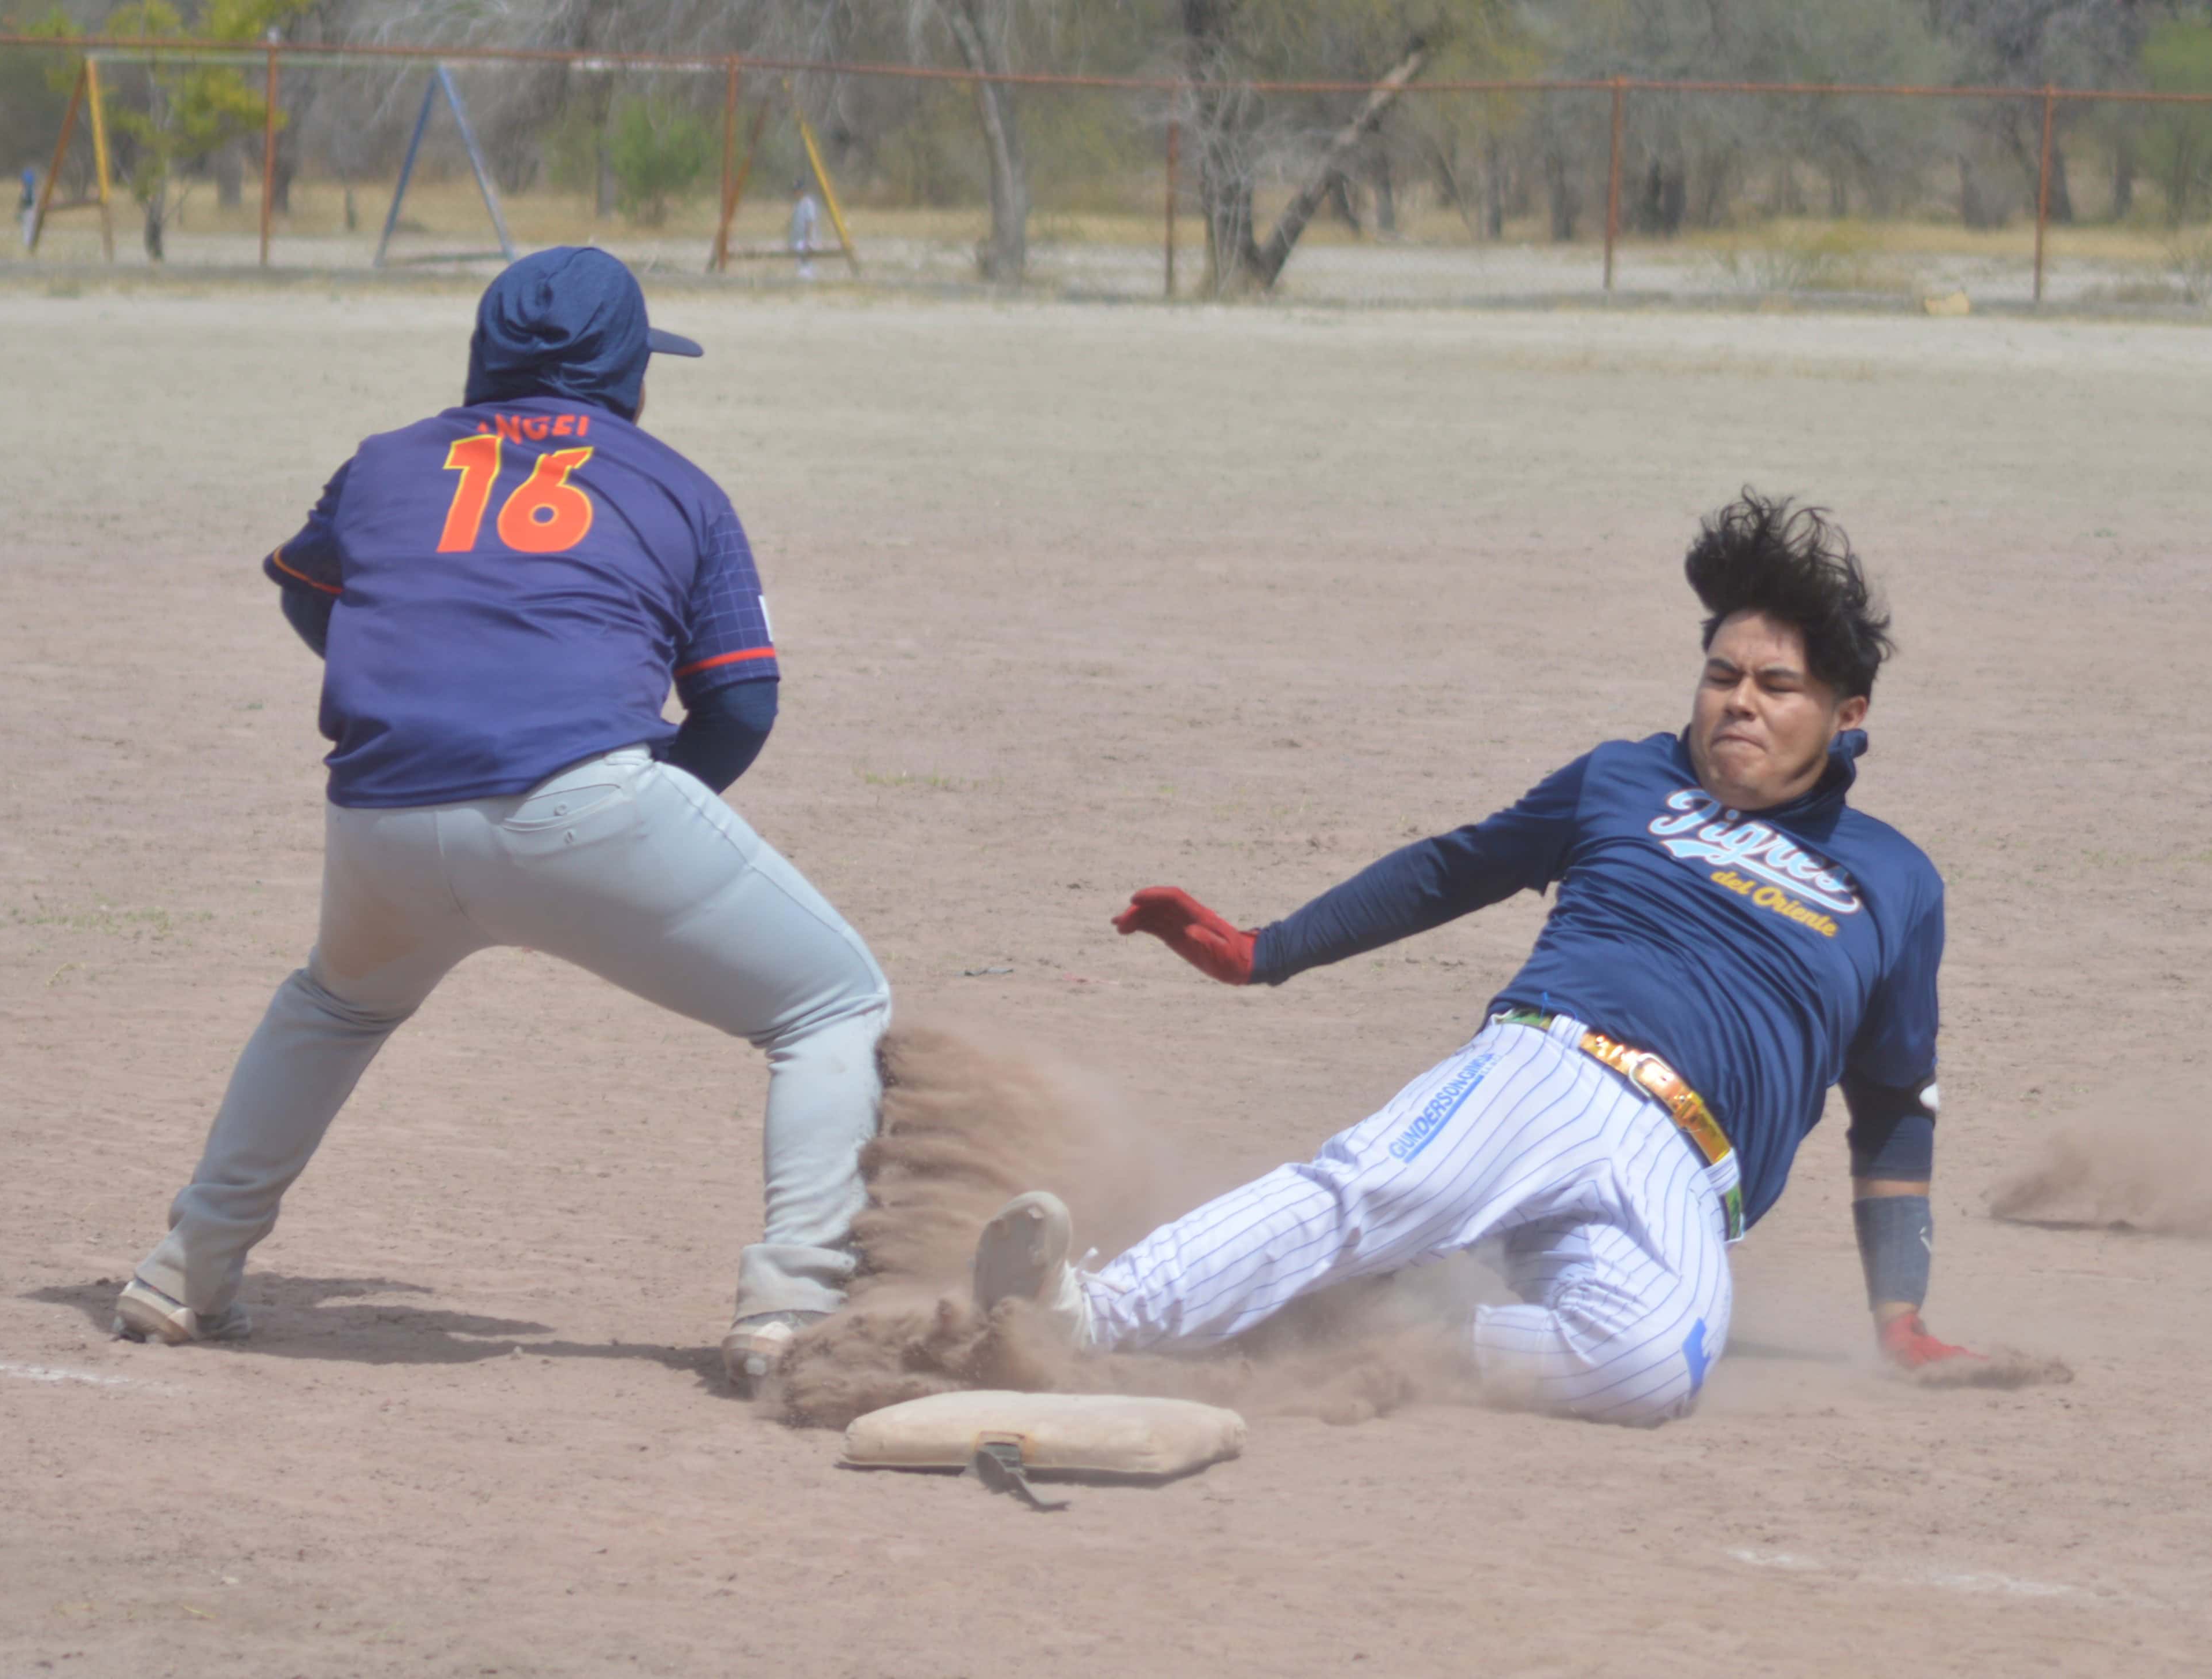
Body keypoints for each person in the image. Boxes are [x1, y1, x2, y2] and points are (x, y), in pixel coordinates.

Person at [973, 491, 1982, 1425]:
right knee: (1375, 1188)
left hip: (1689, 1170)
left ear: (1846, 713)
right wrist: (1260, 950)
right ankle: (1087, 1313)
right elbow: (1453, 867)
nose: (1738, 702)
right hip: (1551, 1066)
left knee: (1652, 1366)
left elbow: (1893, 1107)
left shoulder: (1893, 881)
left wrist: (1899, 1314)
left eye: (1775, 685)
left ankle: (1369, 1323)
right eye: (1719, 676)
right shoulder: (1625, 778)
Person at [112, 246, 891, 1397]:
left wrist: (425, 687)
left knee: (333, 1003)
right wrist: (619, 820)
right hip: (588, 805)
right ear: (629, 371)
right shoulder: (677, 486)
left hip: (381, 811)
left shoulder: (384, 464)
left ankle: (185, 1271)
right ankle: (793, 1306)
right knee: (835, 1004)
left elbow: (304, 589)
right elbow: (742, 703)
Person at [787, 182, 821, 280]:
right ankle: (805, 273)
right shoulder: (797, 204)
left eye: (797, 191)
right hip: (798, 238)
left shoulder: (808, 203)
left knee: (803, 251)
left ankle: (807, 274)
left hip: (806, 238)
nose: (795, 193)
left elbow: (810, 221)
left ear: (802, 191)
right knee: (798, 252)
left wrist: (809, 240)